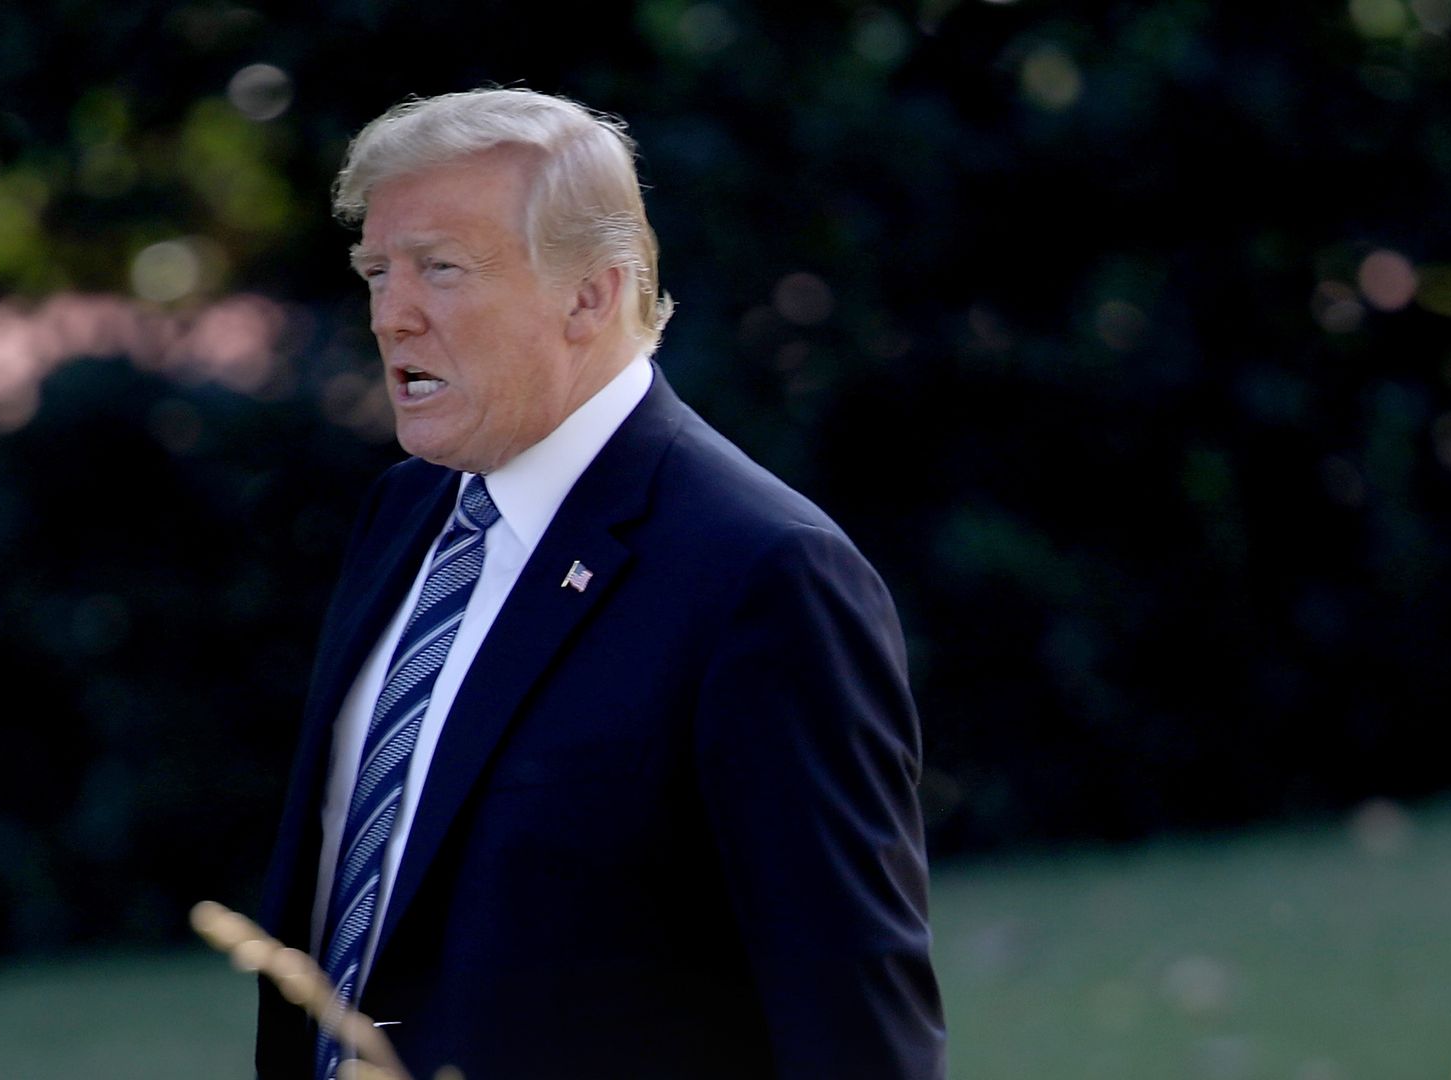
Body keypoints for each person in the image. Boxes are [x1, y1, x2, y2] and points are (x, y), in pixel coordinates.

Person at [255, 88, 944, 1080]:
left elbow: (856, 1027)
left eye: (441, 270)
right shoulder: (402, 516)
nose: (390, 316)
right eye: (377, 271)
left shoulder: (764, 573)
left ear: (593, 293)